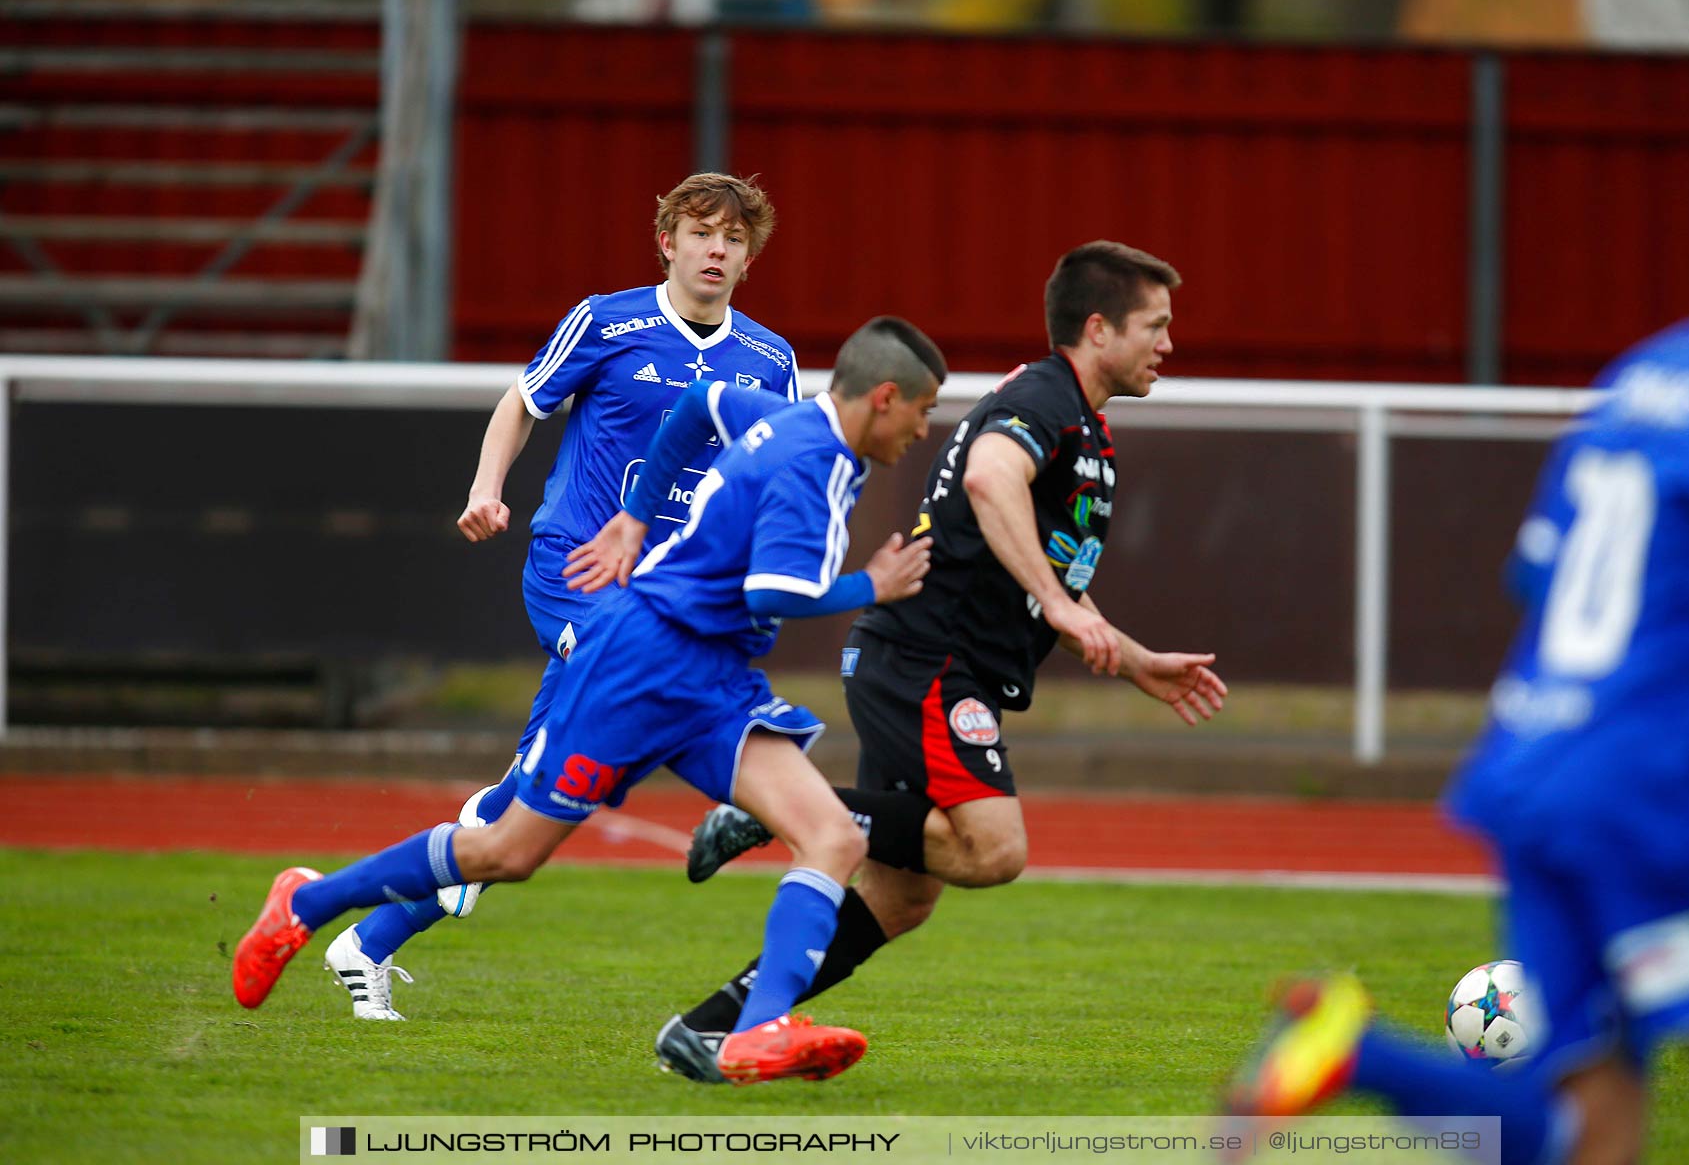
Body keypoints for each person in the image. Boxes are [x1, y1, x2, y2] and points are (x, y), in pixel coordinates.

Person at [1230, 130, 1689, 1165]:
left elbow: (1535, 574)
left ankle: (1354, 1049)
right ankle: (1357, 1053)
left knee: (1596, 1122)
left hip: (1535, 766)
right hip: (1662, 787)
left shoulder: (1641, 377)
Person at [233, 316, 947, 1084]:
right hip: (641, 662)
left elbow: (703, 401)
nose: (924, 427)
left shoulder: (786, 415)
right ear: (883, 398)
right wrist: (874, 585)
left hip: (711, 681)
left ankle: (752, 1032)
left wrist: (636, 516)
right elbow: (772, 588)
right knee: (505, 852)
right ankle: (306, 904)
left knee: (833, 837)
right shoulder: (814, 464)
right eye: (922, 408)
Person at [649, 241, 1229, 1083]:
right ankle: (789, 811)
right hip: (929, 660)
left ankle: (710, 1033)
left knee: (902, 896)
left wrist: (1133, 659)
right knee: (994, 850)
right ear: (1098, 329)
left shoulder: (1082, 422)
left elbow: (1042, 569)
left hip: (928, 658)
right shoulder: (1044, 400)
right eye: (1156, 325)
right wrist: (1063, 608)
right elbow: (993, 480)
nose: (1168, 343)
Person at [318, 173, 800, 1021]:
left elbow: (771, 474)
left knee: (527, 805)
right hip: (575, 571)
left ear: (750, 255)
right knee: (653, 723)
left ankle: (364, 938)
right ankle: (742, 799)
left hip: (672, 598)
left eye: (732, 237)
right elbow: (522, 400)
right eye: (700, 232)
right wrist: (484, 488)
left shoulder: (769, 359)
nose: (716, 248)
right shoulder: (608, 320)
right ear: (669, 241)